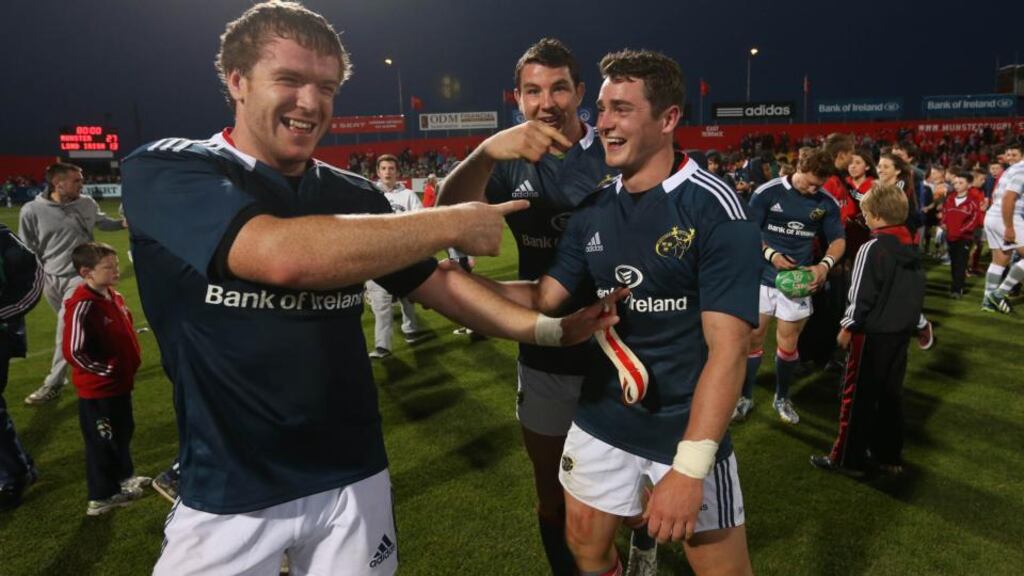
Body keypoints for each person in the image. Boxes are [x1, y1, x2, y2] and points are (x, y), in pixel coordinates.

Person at [121, 4, 620, 574]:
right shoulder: (170, 169)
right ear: (237, 81)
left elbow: (439, 283)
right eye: (289, 79)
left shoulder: (354, 194)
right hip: (230, 492)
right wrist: (451, 222)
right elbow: (279, 255)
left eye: (326, 87)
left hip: (353, 478)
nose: (310, 102)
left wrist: (549, 326)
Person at [468, 48, 760, 576]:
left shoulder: (715, 208)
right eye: (602, 109)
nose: (603, 123)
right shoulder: (596, 208)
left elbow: (730, 350)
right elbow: (544, 298)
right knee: (584, 550)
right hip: (601, 415)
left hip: (682, 424)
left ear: (668, 118)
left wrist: (690, 470)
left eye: (621, 109)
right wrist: (454, 287)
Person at [437, 38, 645, 576]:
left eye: (558, 88)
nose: (546, 101)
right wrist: (485, 152)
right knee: (552, 495)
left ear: (579, 92)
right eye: (533, 90)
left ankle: (638, 552)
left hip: (624, 349)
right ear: (518, 97)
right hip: (545, 346)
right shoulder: (507, 161)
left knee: (631, 500)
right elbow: (448, 214)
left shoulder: (617, 146)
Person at [811, 183, 925, 476]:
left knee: (856, 395)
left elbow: (860, 293)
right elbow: (914, 293)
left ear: (874, 216)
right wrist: (921, 324)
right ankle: (888, 455)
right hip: (899, 334)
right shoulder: (912, 246)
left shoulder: (871, 248)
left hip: (870, 335)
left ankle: (847, 458)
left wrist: (848, 325)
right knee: (890, 395)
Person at [735, 151, 845, 424]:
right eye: (809, 183)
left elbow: (838, 240)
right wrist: (771, 254)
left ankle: (782, 397)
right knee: (753, 341)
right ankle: (745, 396)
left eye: (819, 185)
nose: (813, 189)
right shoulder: (767, 192)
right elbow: (747, 232)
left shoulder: (826, 202)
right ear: (798, 167)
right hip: (760, 277)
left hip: (797, 283)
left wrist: (824, 266)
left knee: (788, 343)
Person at [18, 162, 127, 405]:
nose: (82, 184)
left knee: (65, 329)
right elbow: (27, 248)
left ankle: (54, 383)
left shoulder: (87, 203)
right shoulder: (31, 211)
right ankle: (109, 358)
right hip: (50, 278)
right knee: (80, 329)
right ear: (59, 184)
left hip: (82, 276)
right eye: (77, 180)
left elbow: (101, 222)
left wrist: (121, 223)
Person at [62, 242, 150, 515]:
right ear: (86, 272)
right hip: (99, 392)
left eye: (115, 265)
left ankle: (125, 478)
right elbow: (73, 351)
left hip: (119, 386)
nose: (116, 271)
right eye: (108, 267)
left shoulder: (114, 295)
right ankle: (101, 496)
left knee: (123, 433)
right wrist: (105, 370)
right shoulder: (82, 306)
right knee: (102, 442)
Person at [365, 154, 429, 359]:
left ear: (397, 172)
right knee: (380, 303)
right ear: (378, 172)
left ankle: (410, 329)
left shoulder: (408, 195)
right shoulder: (368, 193)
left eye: (391, 168)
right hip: (377, 256)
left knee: (408, 297)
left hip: (403, 255)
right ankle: (383, 346)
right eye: (384, 168)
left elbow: (420, 220)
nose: (388, 172)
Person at [0, 223, 44, 512]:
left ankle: (14, 476)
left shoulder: (2, 239)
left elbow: (34, 276)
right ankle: (18, 466)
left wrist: (3, 314)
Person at [982, 155, 1024, 313]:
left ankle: (987, 301)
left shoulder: (1012, 169)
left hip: (993, 215)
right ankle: (999, 294)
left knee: (1000, 260)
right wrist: (1010, 227)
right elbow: (1008, 198)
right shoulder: (1022, 170)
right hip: (1007, 216)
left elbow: (996, 195)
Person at [941, 172, 984, 298]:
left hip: (964, 238)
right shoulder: (949, 198)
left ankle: (957, 289)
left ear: (969, 185)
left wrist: (961, 231)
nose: (957, 185)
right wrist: (944, 223)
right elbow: (945, 213)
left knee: (961, 263)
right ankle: (955, 285)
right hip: (950, 236)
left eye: (961, 183)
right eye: (955, 183)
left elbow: (974, 220)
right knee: (954, 263)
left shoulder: (973, 202)